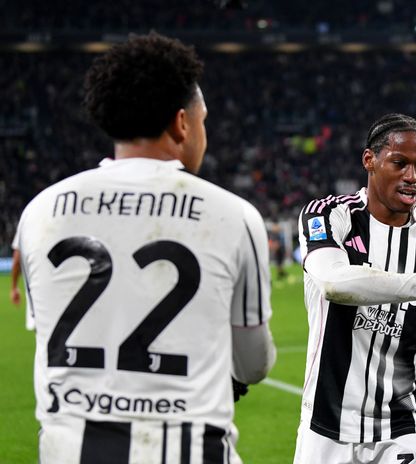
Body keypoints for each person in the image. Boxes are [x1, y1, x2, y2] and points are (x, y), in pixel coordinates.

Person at [16, 33, 275, 463]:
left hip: (69, 449)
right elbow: (252, 364)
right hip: (188, 449)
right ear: (182, 123)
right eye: (203, 119)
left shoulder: (41, 211)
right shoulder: (234, 215)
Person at [294, 113, 416, 464]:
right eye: (399, 163)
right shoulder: (327, 216)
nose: (412, 177)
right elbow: (333, 283)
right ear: (369, 160)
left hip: (407, 427)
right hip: (326, 423)